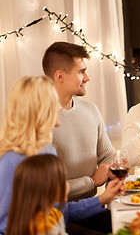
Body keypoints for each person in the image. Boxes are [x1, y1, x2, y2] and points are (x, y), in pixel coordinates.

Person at [0, 76, 124, 235]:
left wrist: (103, 199)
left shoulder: (48, 151)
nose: (60, 107)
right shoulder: (9, 162)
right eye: (54, 102)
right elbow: (3, 226)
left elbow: (61, 212)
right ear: (39, 109)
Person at [42, 41, 114, 201]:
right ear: (59, 76)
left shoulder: (91, 109)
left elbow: (108, 155)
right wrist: (93, 181)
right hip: (57, 215)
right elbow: (47, 188)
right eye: (81, 72)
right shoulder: (38, 119)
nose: (87, 78)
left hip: (93, 205)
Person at [6, 155, 68, 235]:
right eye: (64, 180)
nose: (67, 185)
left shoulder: (55, 213)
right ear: (47, 188)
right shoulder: (43, 227)